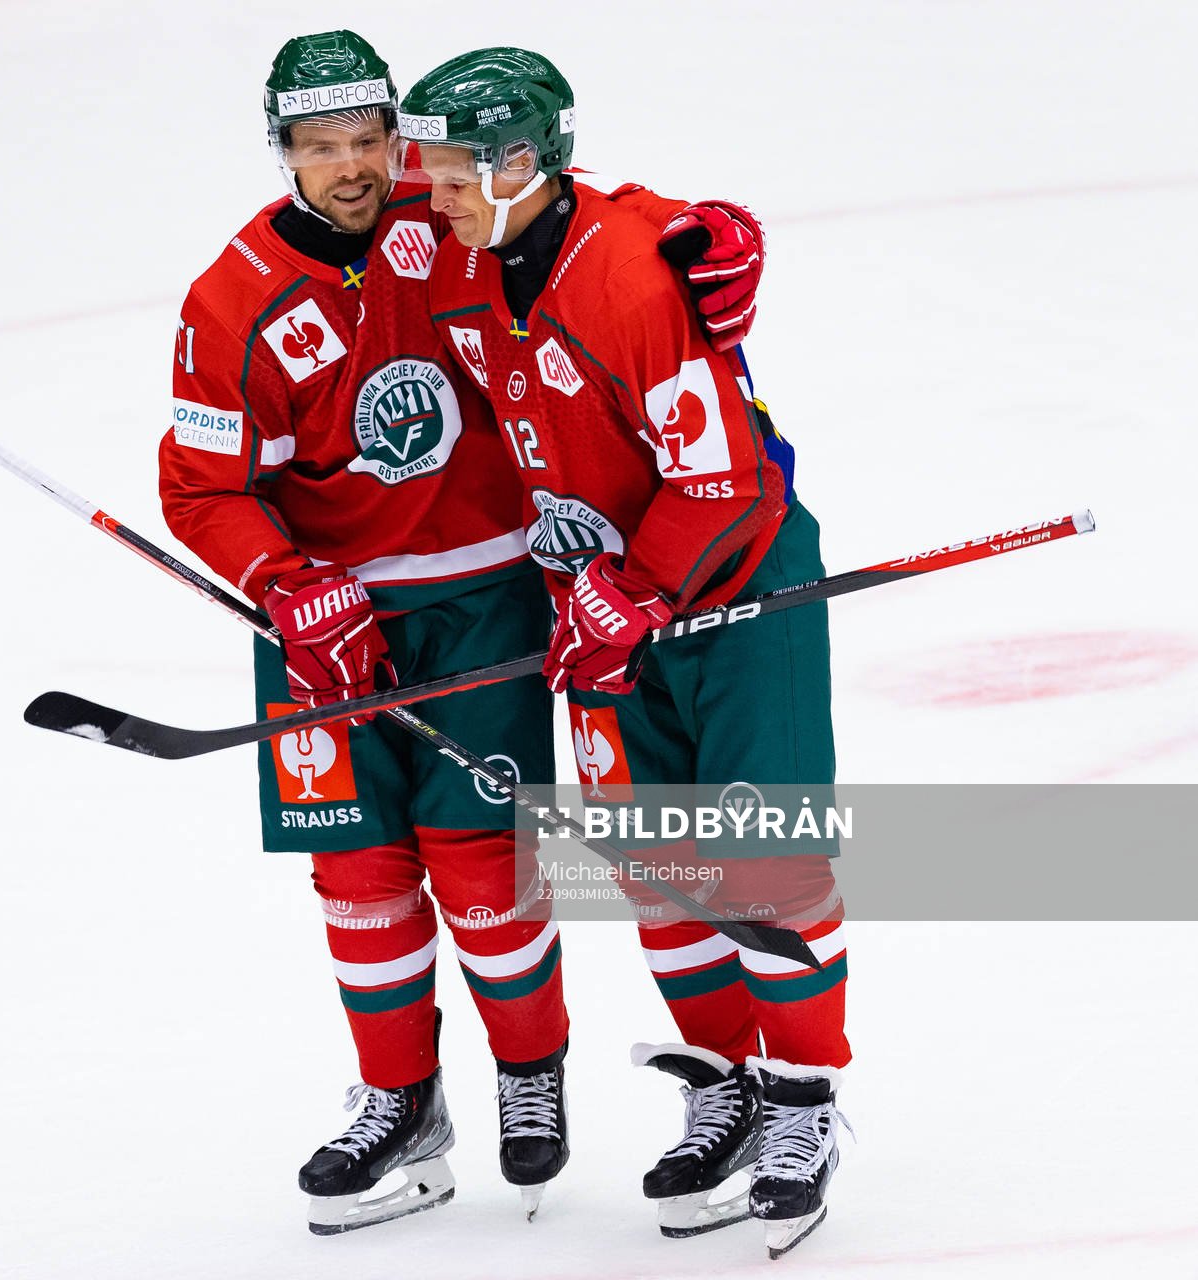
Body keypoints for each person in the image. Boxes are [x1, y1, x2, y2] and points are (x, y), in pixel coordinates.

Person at [157, 30, 766, 1235]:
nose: (351, 168)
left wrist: (707, 230)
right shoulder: (229, 296)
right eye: (319, 146)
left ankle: (530, 1078)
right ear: (279, 150)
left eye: (369, 140)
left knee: (485, 864)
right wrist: (283, 583)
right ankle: (401, 1103)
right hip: (317, 623)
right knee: (359, 876)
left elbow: (588, 220)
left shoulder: (450, 227)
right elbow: (200, 486)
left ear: (403, 138)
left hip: (482, 600)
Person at [405, 47, 851, 1260]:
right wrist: (600, 597)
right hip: (605, 601)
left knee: (766, 858)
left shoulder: (631, 281)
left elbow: (714, 477)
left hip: (738, 589)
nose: (423, 185)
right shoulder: (467, 253)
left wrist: (637, 590)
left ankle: (805, 1098)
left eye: (444, 164)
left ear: (513, 163)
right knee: (656, 868)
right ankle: (725, 1082)